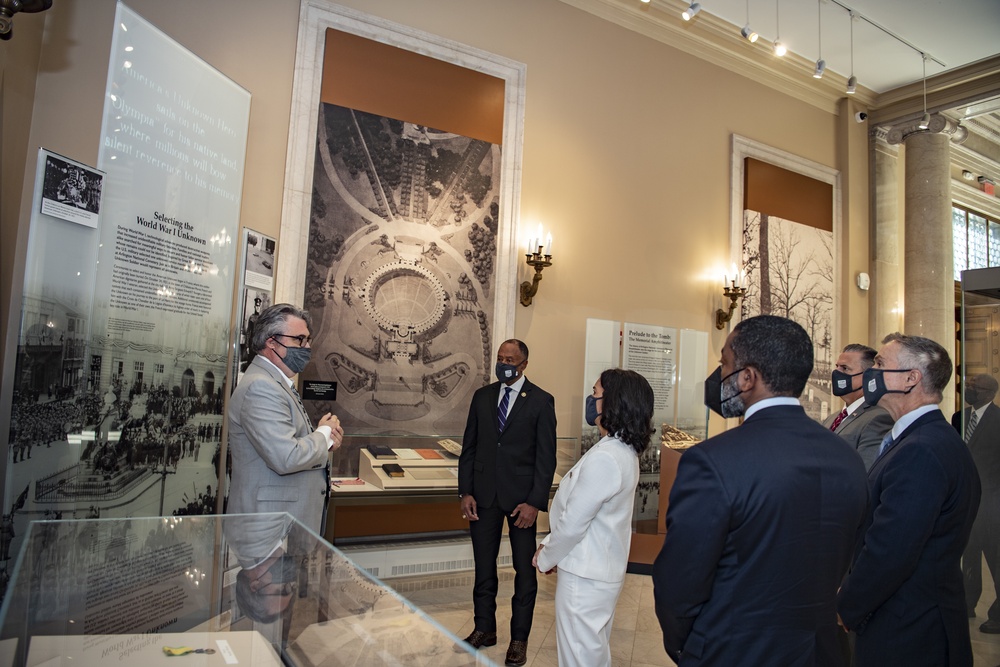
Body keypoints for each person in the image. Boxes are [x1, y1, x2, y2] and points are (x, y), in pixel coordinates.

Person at [653, 315, 868, 666]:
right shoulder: (847, 458)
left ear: (748, 377)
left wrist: (689, 646)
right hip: (822, 652)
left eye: (724, 363)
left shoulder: (712, 461)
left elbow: (679, 582)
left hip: (734, 651)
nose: (718, 375)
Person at [837, 333, 981, 667]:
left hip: (911, 631)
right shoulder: (920, 439)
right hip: (906, 621)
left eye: (881, 364)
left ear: (911, 379)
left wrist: (846, 607)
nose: (872, 372)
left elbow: (891, 550)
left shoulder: (922, 450)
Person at [532, 368, 653, 667]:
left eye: (596, 394)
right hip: (598, 570)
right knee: (591, 652)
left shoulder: (607, 457)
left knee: (579, 656)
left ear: (612, 402)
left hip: (586, 575)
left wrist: (546, 555)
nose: (591, 399)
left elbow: (575, 521)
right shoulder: (621, 450)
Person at [458, 339, 557, 666]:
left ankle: (519, 639)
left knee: (524, 575)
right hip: (483, 498)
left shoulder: (541, 402)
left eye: (510, 359)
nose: (504, 363)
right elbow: (469, 448)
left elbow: (546, 459)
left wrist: (534, 503)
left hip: (521, 505)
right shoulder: (482, 396)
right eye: (500, 358)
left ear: (524, 364)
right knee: (483, 569)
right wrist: (465, 492)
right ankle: (484, 629)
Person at [226, 303, 344, 535]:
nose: (307, 347)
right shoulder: (262, 386)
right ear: (272, 342)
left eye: (308, 340)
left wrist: (325, 441)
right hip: (269, 530)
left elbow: (288, 443)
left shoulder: (275, 382)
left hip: (280, 525)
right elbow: (286, 456)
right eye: (299, 340)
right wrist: (323, 434)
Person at [952, 374, 1000, 630]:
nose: (969, 390)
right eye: (968, 385)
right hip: (967, 502)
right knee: (968, 556)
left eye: (975, 388)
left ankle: (998, 614)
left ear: (990, 394)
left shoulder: (998, 420)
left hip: (992, 505)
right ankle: (967, 603)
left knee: (995, 560)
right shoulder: (959, 418)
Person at [824, 343, 895, 471]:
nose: (836, 373)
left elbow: (864, 472)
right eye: (837, 367)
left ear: (867, 376)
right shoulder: (830, 419)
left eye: (845, 368)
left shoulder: (878, 417)